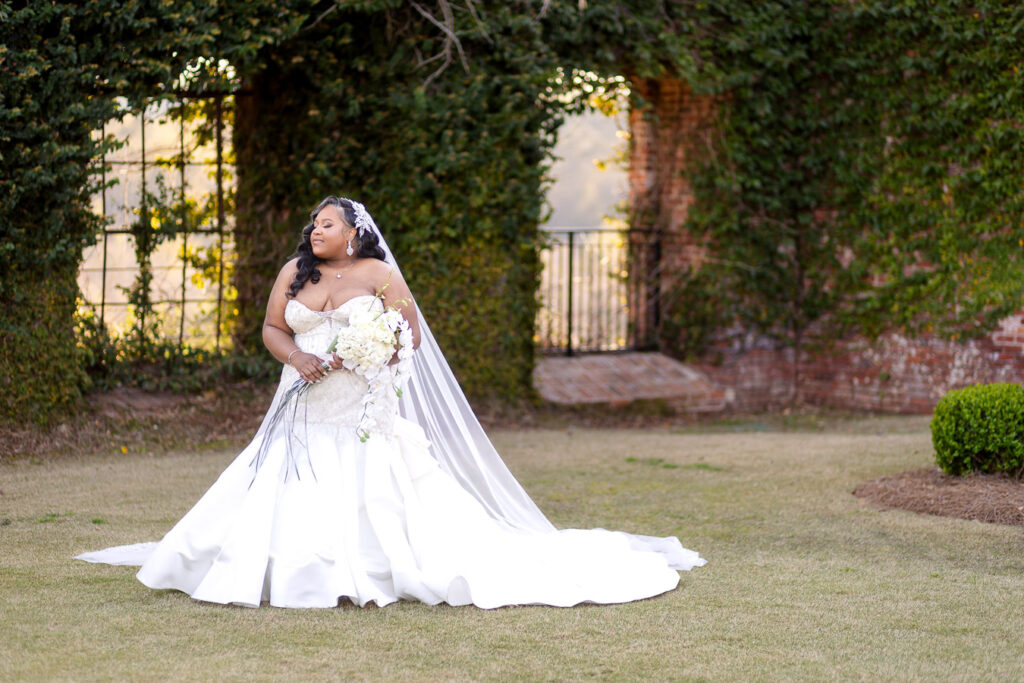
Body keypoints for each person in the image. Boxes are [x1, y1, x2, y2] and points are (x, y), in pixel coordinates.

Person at [76, 196, 705, 608]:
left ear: (354, 234)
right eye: (313, 225)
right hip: (300, 398)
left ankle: (368, 565)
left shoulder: (380, 277)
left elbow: (411, 335)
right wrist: (296, 356)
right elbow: (273, 328)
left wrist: (360, 353)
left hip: (359, 403)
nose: (314, 231)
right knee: (274, 475)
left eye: (326, 224)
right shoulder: (294, 274)